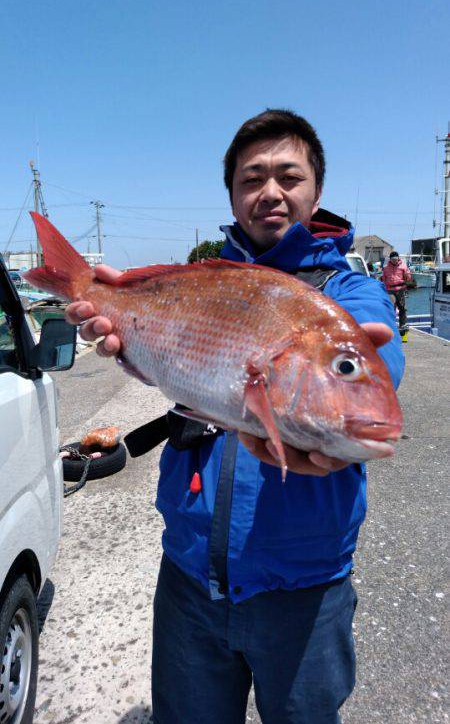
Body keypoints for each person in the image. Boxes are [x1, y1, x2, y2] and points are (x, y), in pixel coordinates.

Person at [66, 109, 404, 724]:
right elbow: (167, 363)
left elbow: (383, 355)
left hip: (306, 590)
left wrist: (352, 373)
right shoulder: (200, 280)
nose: (270, 191)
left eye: (289, 176)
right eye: (252, 178)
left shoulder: (348, 294)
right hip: (188, 575)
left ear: (316, 194)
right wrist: (123, 335)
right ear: (232, 196)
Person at [381, 250, 412, 336]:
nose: (394, 260)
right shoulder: (386, 268)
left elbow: (408, 278)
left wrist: (408, 277)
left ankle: (403, 324)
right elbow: (384, 279)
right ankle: (391, 325)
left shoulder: (403, 267)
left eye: (396, 259)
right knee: (391, 307)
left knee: (402, 307)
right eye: (393, 259)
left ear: (398, 258)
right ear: (390, 259)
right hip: (390, 290)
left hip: (401, 289)